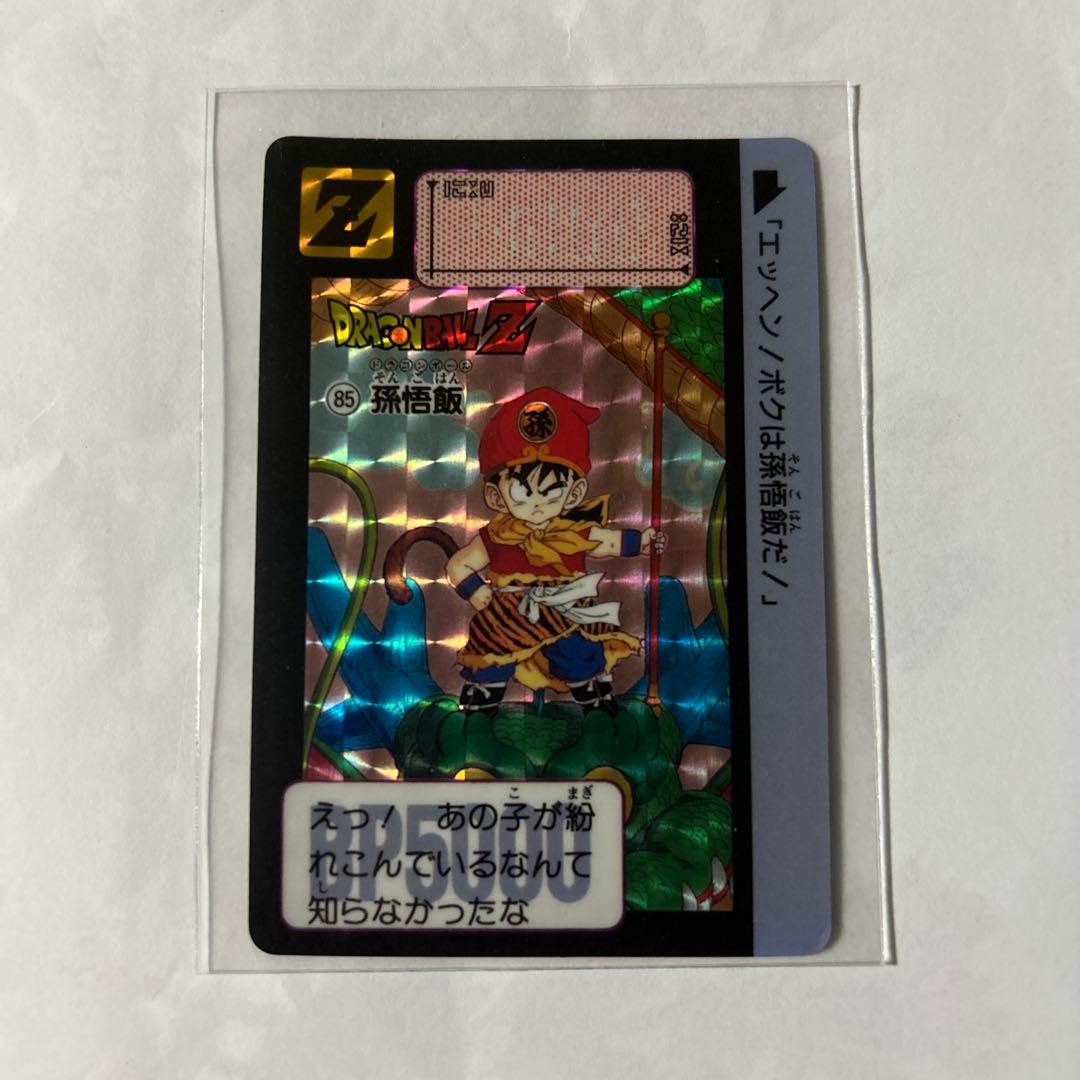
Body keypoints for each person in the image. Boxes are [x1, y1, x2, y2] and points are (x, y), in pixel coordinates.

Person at [448, 387, 666, 717]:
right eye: (523, 493)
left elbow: (606, 541)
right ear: (495, 497)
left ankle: (594, 702)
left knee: (578, 654)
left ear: (574, 493)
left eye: (551, 493)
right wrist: (476, 590)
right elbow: (459, 566)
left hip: (566, 608)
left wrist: (643, 542)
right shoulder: (498, 535)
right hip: (507, 613)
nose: (537, 504)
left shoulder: (572, 531)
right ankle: (480, 704)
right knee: (490, 654)